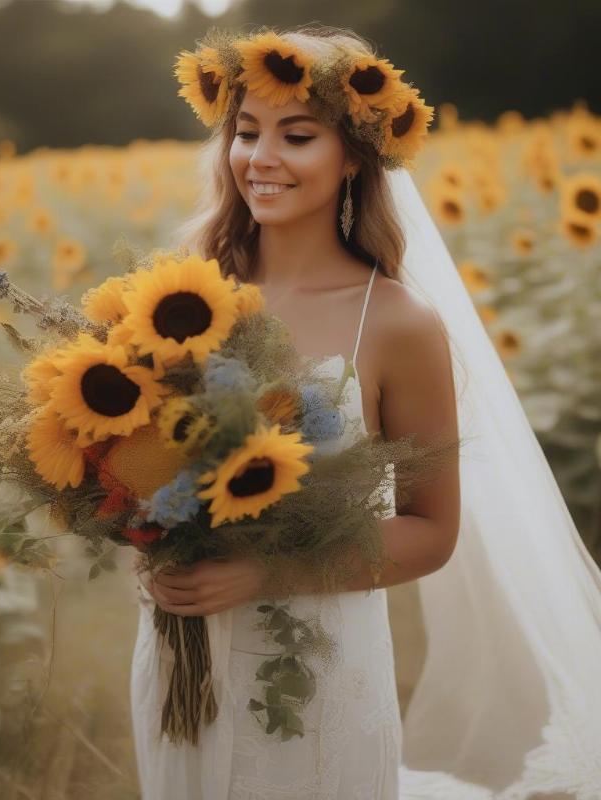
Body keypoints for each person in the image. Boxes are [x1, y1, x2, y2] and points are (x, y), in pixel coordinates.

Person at [130, 24, 601, 800]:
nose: (262, 157)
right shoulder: (181, 297)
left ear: (353, 155)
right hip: (184, 657)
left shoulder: (395, 322)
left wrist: (261, 572)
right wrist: (137, 527)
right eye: (245, 132)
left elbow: (431, 531)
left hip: (316, 668)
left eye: (298, 135)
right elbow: (131, 460)